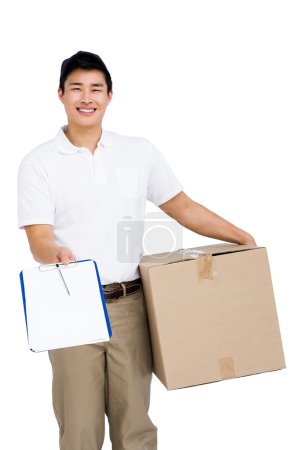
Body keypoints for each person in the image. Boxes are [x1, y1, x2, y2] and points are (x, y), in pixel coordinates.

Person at [17, 50, 256, 450]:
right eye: (76, 88)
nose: (86, 97)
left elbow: (181, 207)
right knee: (79, 429)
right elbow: (39, 237)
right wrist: (55, 252)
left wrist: (240, 237)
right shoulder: (38, 163)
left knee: (135, 427)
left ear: (110, 96)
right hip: (71, 303)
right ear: (60, 94)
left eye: (96, 88)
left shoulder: (138, 152)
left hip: (130, 303)